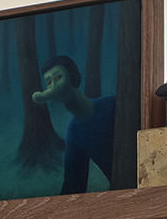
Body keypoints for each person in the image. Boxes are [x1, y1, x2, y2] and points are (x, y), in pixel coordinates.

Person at [31, 53, 117, 193]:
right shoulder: (74, 133)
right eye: (48, 82)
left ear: (72, 77)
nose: (53, 86)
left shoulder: (111, 104)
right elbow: (74, 185)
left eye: (58, 77)